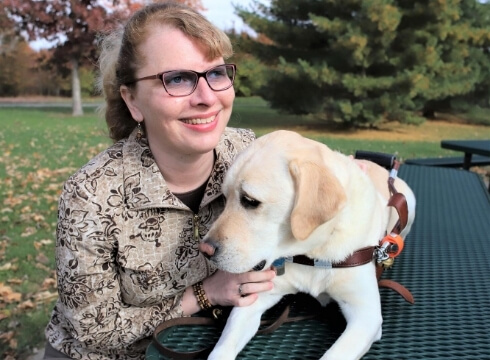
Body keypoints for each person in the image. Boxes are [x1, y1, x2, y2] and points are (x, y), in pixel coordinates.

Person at [43, 2, 276, 359]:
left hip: (206, 344)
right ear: (132, 100)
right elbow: (94, 331)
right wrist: (206, 294)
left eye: (215, 73)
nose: (207, 98)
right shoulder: (91, 194)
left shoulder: (247, 153)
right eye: (178, 79)